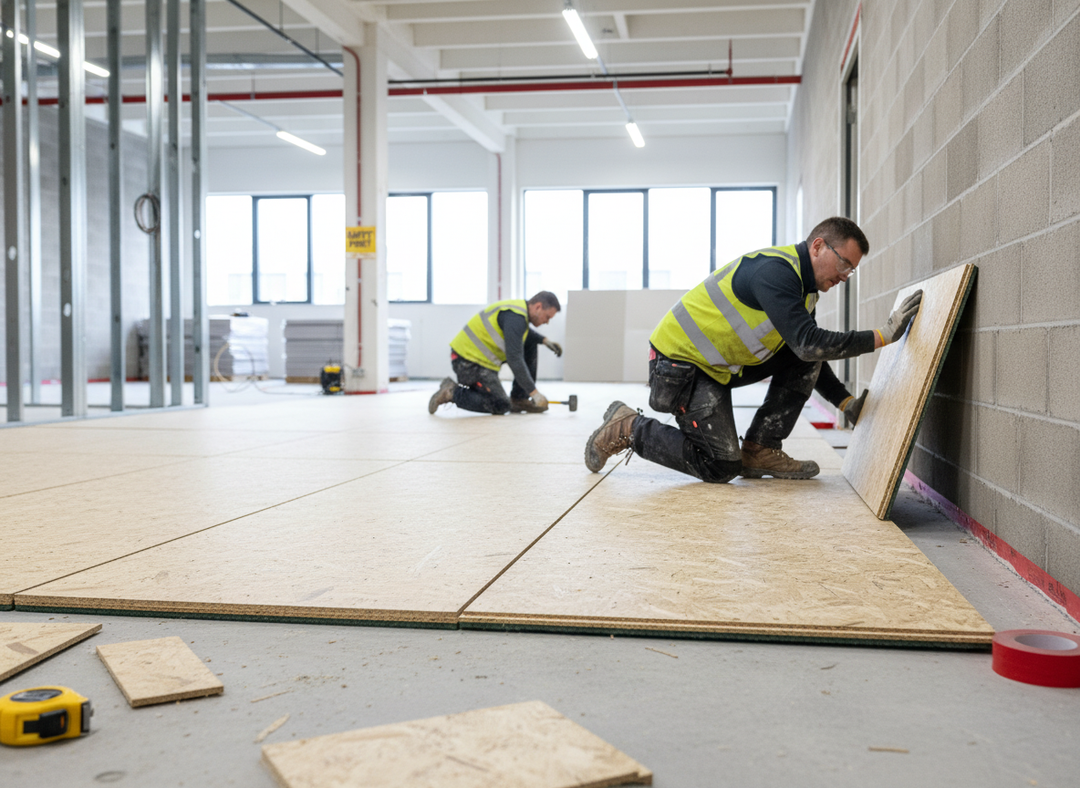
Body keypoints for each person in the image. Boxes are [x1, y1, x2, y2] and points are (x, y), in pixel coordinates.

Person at [583, 216, 923, 481]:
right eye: (845, 263)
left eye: (853, 269)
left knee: (808, 349)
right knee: (720, 466)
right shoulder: (775, 272)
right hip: (678, 366)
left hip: (715, 369)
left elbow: (806, 352)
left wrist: (844, 402)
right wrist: (882, 335)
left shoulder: (806, 292)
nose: (847, 275)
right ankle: (629, 426)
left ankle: (761, 447)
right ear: (818, 246)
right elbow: (808, 344)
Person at [428, 291, 563, 415]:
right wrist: (535, 393)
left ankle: (519, 398)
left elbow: (521, 334)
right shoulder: (515, 318)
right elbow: (514, 359)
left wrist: (544, 340)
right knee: (501, 404)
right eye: (547, 317)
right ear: (538, 307)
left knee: (531, 344)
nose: (547, 322)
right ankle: (451, 392)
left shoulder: (518, 312)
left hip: (479, 361)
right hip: (468, 362)